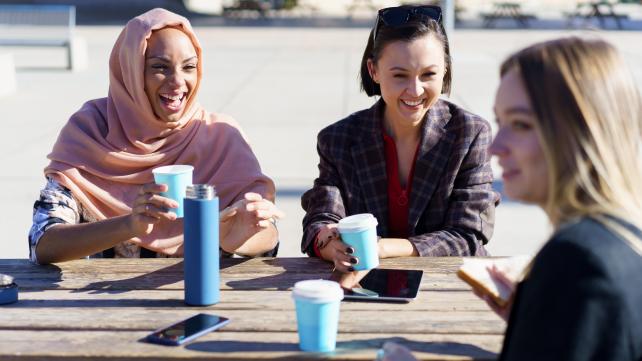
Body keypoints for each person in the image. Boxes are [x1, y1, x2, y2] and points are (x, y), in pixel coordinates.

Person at [28, 8, 284, 264]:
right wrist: (130, 225)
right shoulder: (91, 129)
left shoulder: (221, 136)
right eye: (160, 67)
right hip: (98, 300)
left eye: (189, 67)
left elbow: (267, 237)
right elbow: (43, 244)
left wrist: (235, 237)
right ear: (130, 70)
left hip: (203, 298)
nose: (178, 82)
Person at [301, 5, 499, 272]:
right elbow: (321, 217)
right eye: (399, 75)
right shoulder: (338, 139)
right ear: (374, 71)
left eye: (428, 74)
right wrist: (327, 241)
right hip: (362, 284)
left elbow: (469, 234)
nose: (415, 90)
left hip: (450, 286)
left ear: (445, 71)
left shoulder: (469, 133)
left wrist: (383, 247)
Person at [480, 37, 642, 360]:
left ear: (580, 133)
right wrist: (536, 319)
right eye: (500, 122)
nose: (495, 146)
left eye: (521, 124)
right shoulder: (625, 236)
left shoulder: (576, 260)